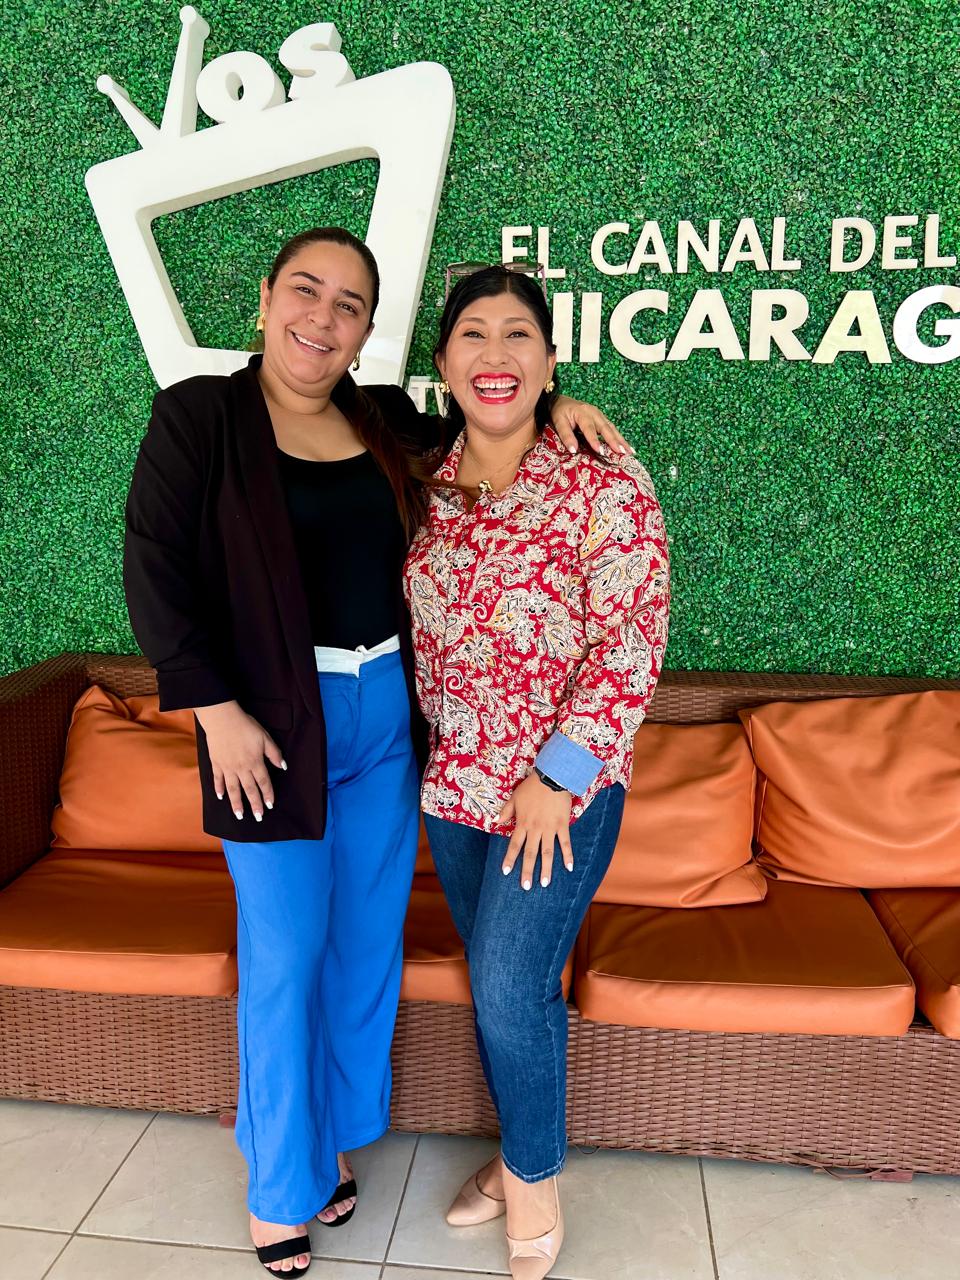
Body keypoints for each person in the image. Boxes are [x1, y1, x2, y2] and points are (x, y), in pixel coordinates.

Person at [123, 227, 631, 1276]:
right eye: (306, 290)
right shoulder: (200, 415)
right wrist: (214, 711)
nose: (323, 316)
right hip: (269, 726)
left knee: (364, 947)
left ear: (367, 332)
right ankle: (280, 1187)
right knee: (284, 955)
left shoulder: (385, 419)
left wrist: (560, 407)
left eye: (349, 304)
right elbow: (155, 566)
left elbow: (493, 414)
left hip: (390, 722)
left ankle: (335, 1138)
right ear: (266, 299)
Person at [403, 266, 670, 1280]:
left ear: (551, 362)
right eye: (473, 334)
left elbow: (631, 639)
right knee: (494, 984)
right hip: (453, 787)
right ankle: (516, 1151)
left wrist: (556, 778)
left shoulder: (603, 480)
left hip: (559, 794)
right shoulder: (420, 484)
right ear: (443, 364)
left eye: (519, 334)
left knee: (511, 984)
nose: (496, 354)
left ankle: (532, 1181)